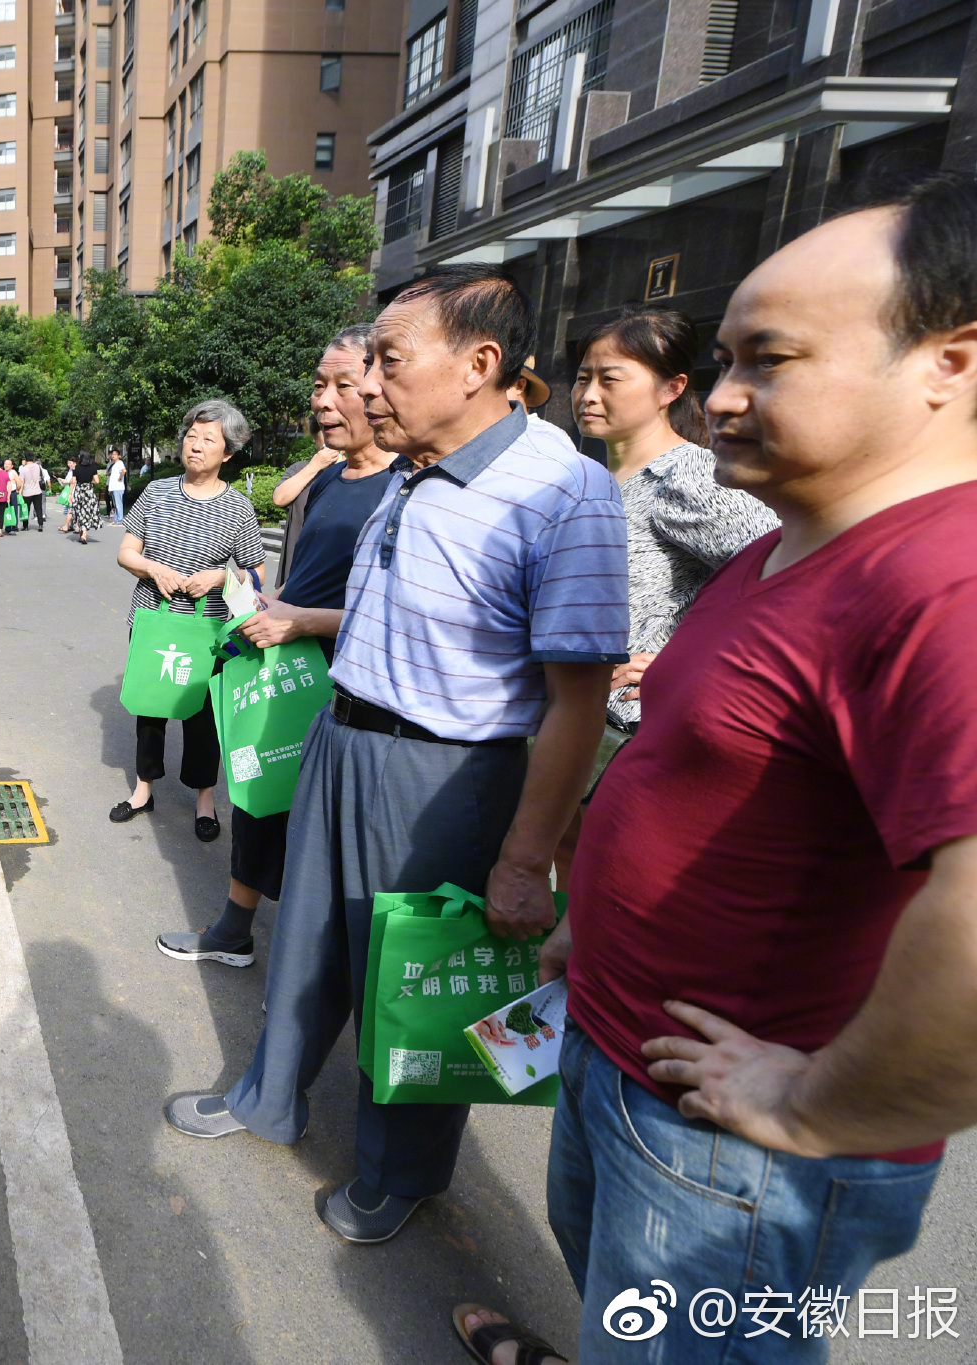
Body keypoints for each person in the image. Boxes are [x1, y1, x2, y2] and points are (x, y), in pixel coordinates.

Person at [461, 173, 977, 1365]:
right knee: (622, 1318)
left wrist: (816, 1106)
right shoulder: (786, 550)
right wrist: (590, 928)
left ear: (947, 363)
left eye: (770, 360)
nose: (724, 397)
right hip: (627, 1055)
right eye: (726, 358)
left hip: (728, 1144)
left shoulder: (939, 584)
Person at [162, 265, 627, 1251]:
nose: (367, 385)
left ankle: (396, 1175)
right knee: (307, 946)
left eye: (386, 360)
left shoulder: (559, 491)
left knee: (414, 981)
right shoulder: (413, 471)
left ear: (478, 364)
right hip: (342, 740)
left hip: (446, 777)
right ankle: (266, 1098)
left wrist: (520, 857)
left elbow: (574, 703)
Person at [156, 325, 395, 968]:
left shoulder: (407, 488)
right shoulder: (330, 480)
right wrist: (262, 602)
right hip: (284, 668)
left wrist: (306, 622)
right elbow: (300, 577)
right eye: (320, 384)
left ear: (383, 386)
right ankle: (235, 930)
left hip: (347, 689)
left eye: (344, 385)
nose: (325, 400)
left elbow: (406, 614)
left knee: (320, 829)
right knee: (259, 801)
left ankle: (318, 963)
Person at [549, 306, 775, 886]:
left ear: (671, 388)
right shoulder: (587, 479)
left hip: (630, 738)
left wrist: (686, 665)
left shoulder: (691, 477)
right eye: (582, 378)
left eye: (610, 378)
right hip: (567, 725)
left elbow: (785, 578)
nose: (588, 395)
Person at [110, 400, 266, 840]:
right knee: (150, 705)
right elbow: (126, 551)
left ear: (228, 453)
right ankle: (144, 789)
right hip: (153, 620)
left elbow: (256, 573)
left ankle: (204, 798)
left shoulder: (238, 508)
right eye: (191, 436)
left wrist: (221, 576)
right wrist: (150, 568)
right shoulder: (157, 492)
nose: (195, 446)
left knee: (203, 718)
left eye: (208, 440)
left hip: (207, 632)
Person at [68, 453, 105, 544]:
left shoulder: (77, 468)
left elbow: (73, 481)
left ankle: (82, 534)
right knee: (87, 512)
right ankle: (83, 534)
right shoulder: (93, 467)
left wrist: (70, 494)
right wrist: (90, 482)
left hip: (79, 492)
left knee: (80, 512)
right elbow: (97, 481)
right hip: (89, 492)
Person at [20, 454, 50, 531]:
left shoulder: (23, 469)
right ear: (33, 458)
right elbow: (42, 476)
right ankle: (40, 525)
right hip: (37, 491)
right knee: (38, 508)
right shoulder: (38, 467)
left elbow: (22, 482)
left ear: (26, 459)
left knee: (26, 509)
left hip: (27, 492)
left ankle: (25, 526)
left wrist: (20, 492)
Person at [107, 448, 128, 522]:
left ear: (119, 456)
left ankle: (119, 519)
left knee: (118, 504)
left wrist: (120, 477)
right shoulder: (114, 464)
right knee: (115, 505)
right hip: (113, 487)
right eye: (112, 454)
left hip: (118, 487)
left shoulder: (120, 463)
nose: (113, 456)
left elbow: (124, 470)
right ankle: (116, 519)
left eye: (115, 454)